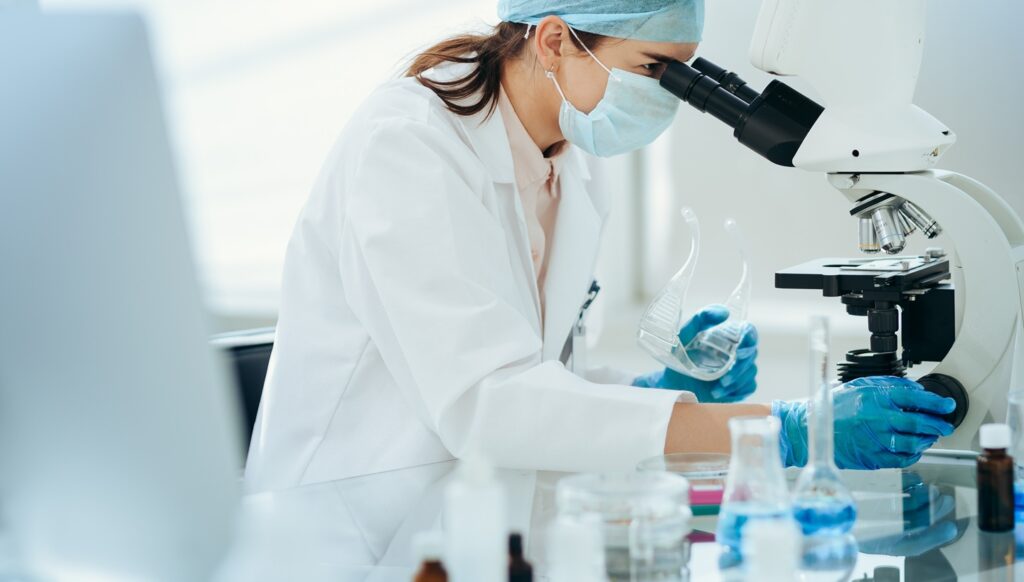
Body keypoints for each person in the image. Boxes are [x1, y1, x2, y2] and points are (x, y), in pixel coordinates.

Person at [244, 0, 956, 494]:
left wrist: (656, 394)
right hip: (350, 519)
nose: (670, 97)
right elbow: (491, 403)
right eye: (654, 70)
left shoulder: (572, 163)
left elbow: (545, 375)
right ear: (554, 40)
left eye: (685, 73)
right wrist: (791, 430)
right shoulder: (406, 148)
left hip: (474, 513)